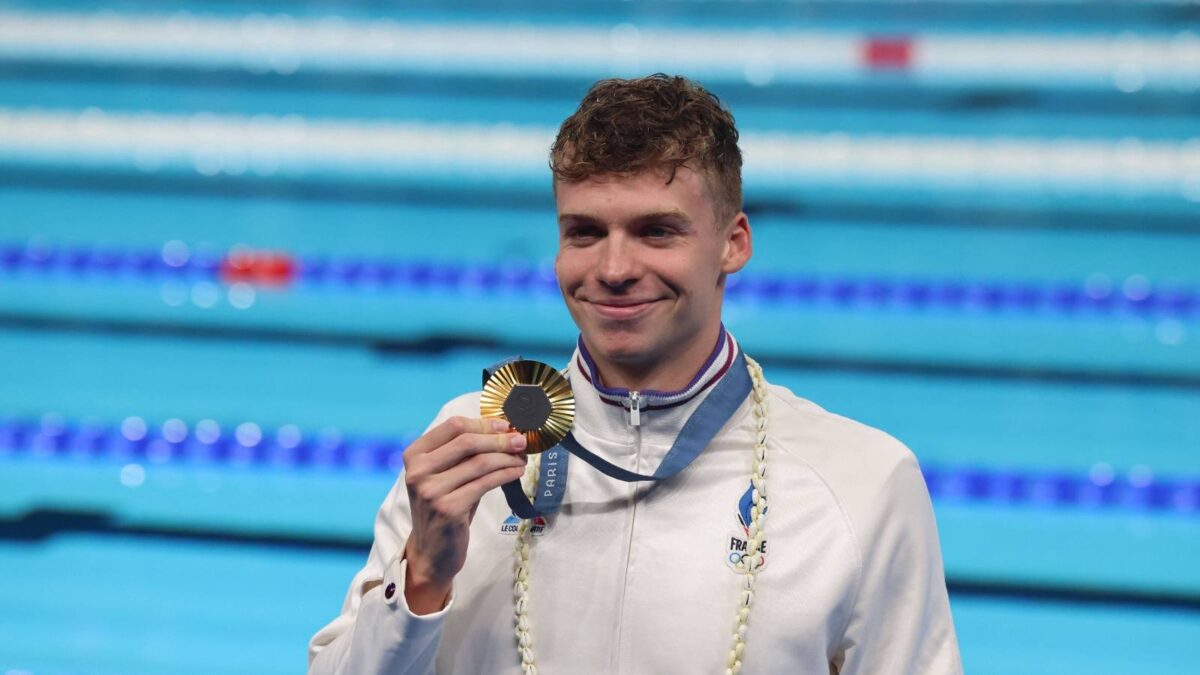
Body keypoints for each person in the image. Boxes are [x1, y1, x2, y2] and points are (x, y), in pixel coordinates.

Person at [308, 74, 962, 674]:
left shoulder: (861, 482)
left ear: (733, 242)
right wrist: (421, 575)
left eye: (656, 231)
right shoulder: (464, 448)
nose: (614, 268)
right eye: (585, 232)